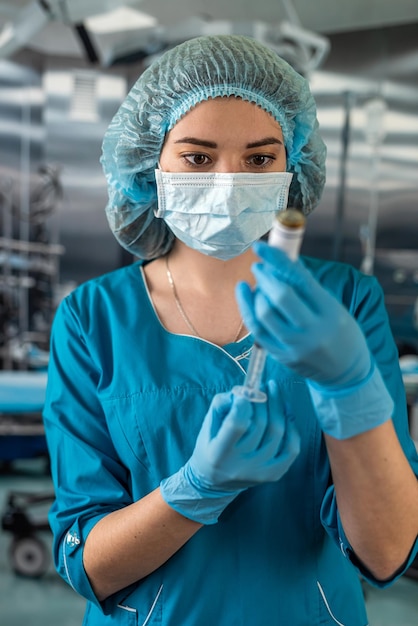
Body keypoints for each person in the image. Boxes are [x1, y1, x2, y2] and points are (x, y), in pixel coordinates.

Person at [43, 35, 418, 625]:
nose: (228, 183)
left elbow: (388, 554)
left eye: (260, 159)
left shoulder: (346, 301)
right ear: (151, 163)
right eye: (197, 157)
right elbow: (89, 566)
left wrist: (351, 389)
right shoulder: (93, 319)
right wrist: (196, 489)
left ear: (291, 167)